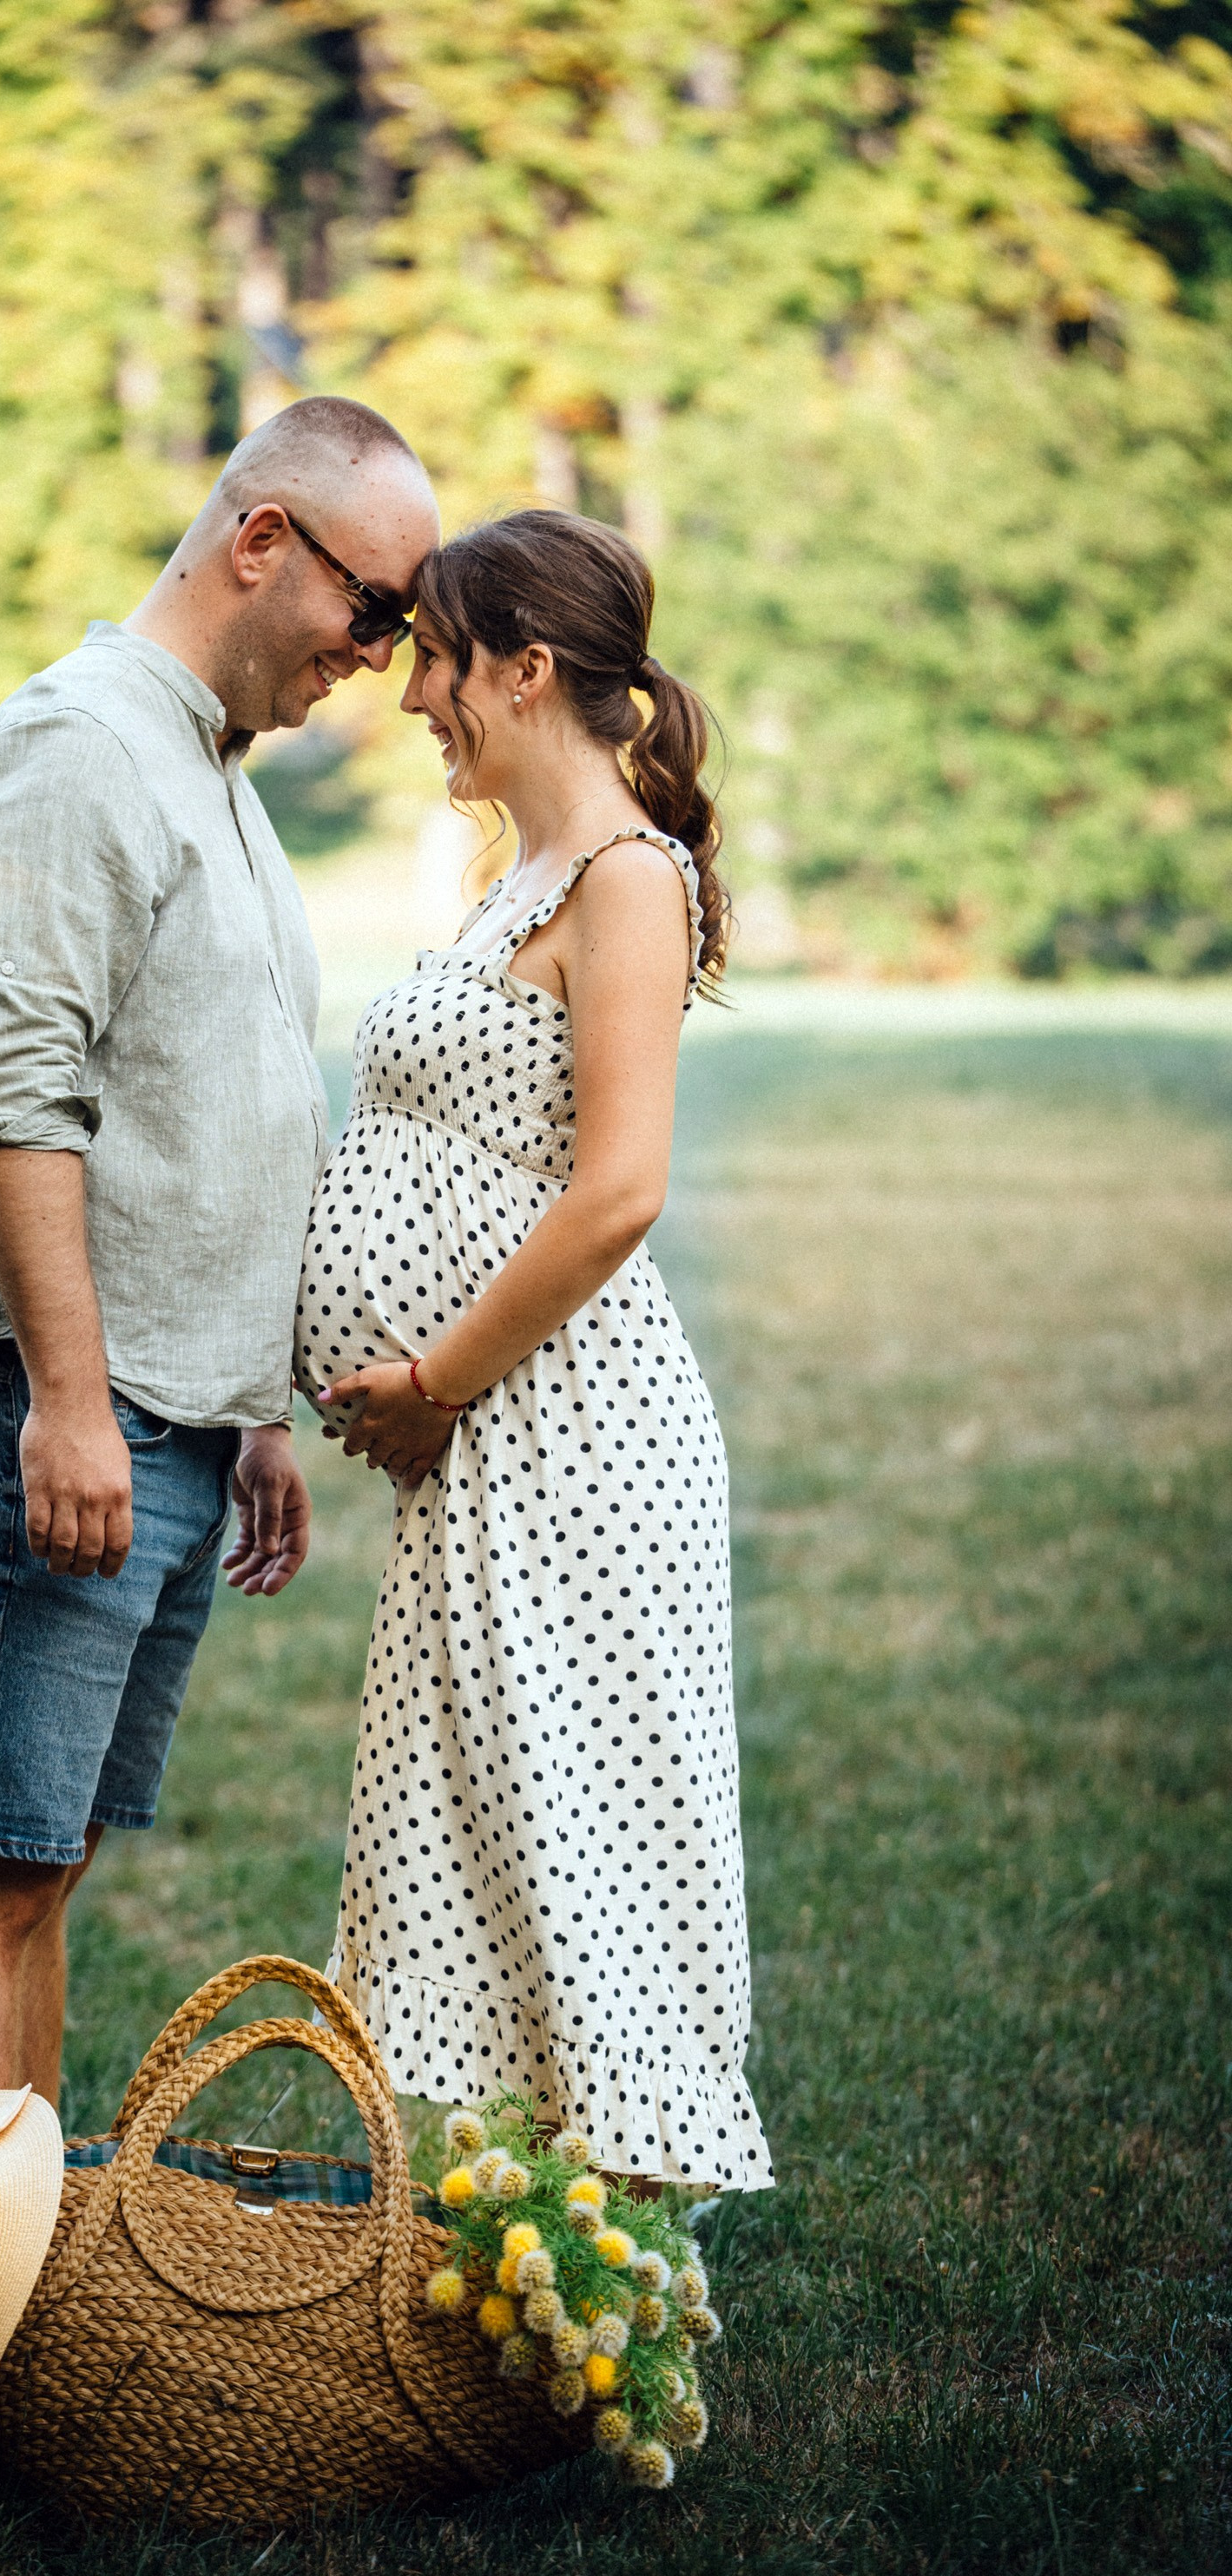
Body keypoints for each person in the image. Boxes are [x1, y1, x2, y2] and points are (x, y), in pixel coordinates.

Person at [0, 397, 442, 2134]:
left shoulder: (207, 767)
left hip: (174, 1421)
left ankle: (18, 2256)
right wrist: (67, 1402)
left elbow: (209, 1114)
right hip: (70, 1411)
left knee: (44, 1865)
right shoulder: (79, 751)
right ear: (261, 540)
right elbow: (11, 1101)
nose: (383, 654)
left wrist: (251, 1408)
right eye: (373, 606)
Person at [295, 509, 773, 2193]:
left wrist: (436, 1382)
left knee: (585, 1835)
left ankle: (611, 2259)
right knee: (492, 1829)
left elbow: (619, 1191)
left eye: (435, 657)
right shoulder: (523, 878)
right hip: (499, 1440)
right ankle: (520, 2228)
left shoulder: (628, 882)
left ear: (526, 668)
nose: (412, 691)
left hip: (570, 1437)